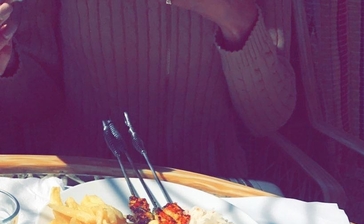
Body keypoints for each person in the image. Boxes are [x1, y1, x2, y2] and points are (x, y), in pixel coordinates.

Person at [0, 0, 295, 178]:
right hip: (88, 186)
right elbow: (35, 107)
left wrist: (233, 15)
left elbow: (269, 117)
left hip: (212, 189)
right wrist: (7, 62)